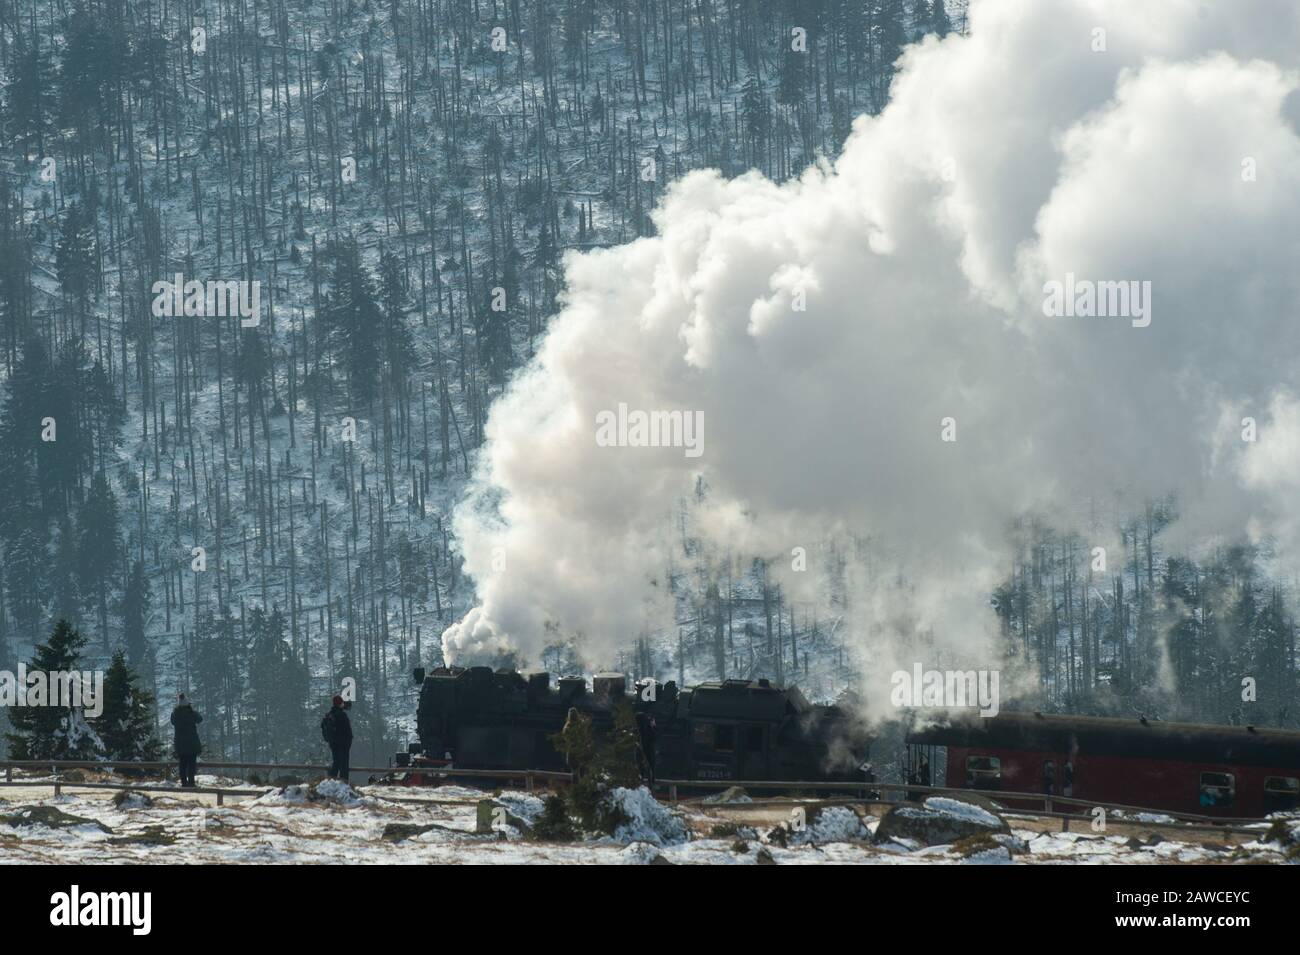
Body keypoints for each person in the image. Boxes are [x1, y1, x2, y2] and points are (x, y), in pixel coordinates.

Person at [170, 694, 203, 788]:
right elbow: (200, 719)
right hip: (192, 743)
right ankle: (191, 782)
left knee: (182, 764)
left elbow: (172, 721)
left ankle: (184, 783)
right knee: (192, 764)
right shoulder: (191, 713)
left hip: (180, 744)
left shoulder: (175, 714)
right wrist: (191, 710)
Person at [321, 696, 353, 781]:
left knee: (336, 763)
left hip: (333, 743)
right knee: (344, 764)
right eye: (342, 702)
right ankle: (344, 783)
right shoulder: (341, 715)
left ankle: (331, 781)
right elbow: (346, 730)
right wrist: (348, 740)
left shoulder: (330, 714)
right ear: (340, 703)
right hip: (343, 743)